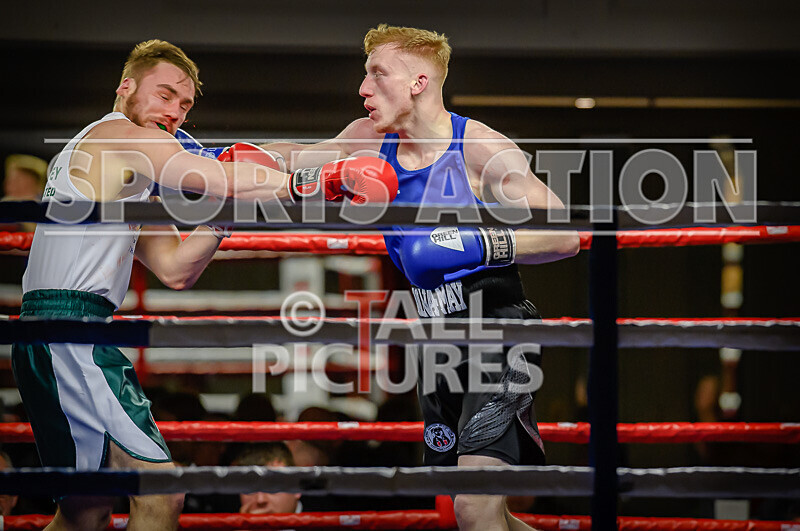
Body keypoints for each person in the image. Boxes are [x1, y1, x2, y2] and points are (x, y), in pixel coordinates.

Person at [12, 39, 397, 531]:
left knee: (83, 510)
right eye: (164, 94)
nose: (174, 111)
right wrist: (319, 180)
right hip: (71, 335)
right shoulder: (121, 134)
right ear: (125, 87)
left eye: (185, 104)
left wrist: (325, 155)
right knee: (161, 493)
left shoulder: (130, 170)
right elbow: (211, 176)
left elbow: (175, 268)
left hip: (56, 335)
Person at [263, 24, 580, 530]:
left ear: (418, 81)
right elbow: (295, 160)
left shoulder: (477, 146)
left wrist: (480, 242)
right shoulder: (367, 141)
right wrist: (207, 163)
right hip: (435, 337)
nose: (363, 89)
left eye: (377, 74)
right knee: (473, 511)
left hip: (497, 328)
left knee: (477, 505)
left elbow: (564, 233)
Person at [234, 443, 302, 515]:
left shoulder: (314, 518)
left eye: (272, 487)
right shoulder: (226, 521)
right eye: (250, 489)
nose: (260, 500)